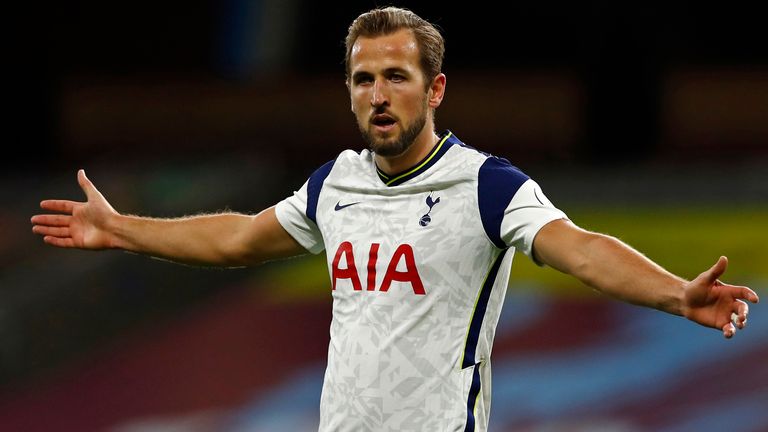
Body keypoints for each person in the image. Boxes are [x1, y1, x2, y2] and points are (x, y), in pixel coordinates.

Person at [32, 6, 758, 432]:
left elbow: (582, 250)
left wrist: (674, 294)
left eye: (396, 76)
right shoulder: (335, 185)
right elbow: (238, 237)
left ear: (435, 87)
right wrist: (121, 227)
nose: (378, 94)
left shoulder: (486, 185)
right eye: (363, 78)